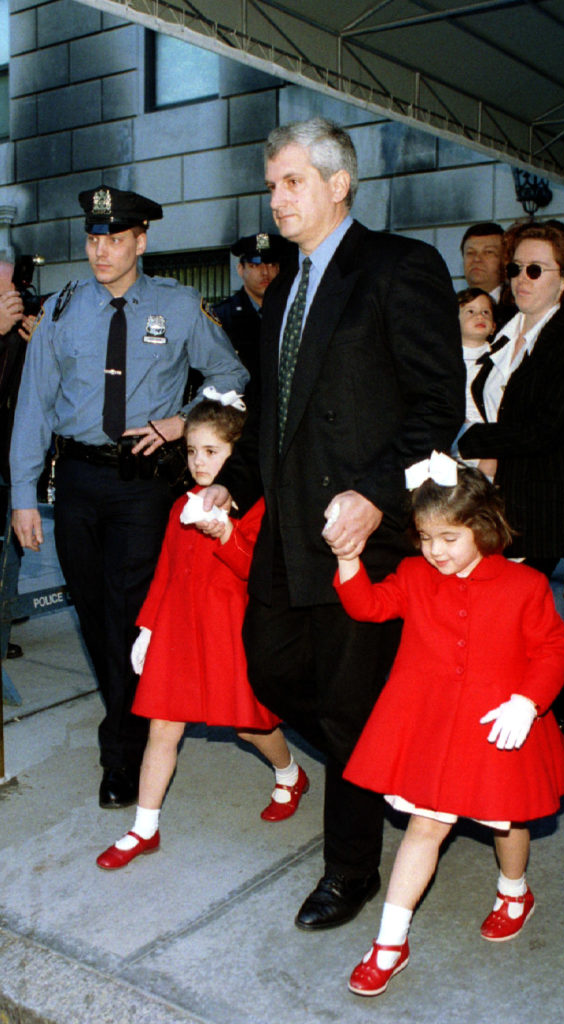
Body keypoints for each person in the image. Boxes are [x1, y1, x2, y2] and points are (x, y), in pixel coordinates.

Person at [201, 117, 465, 931]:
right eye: (271, 185)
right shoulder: (284, 285)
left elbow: (436, 406)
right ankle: (387, 757)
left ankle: (349, 870)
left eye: (292, 182)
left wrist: (375, 495)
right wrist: (231, 487)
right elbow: (273, 415)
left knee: (348, 707)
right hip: (288, 537)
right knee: (271, 674)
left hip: (360, 537)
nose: (276, 199)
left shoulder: (398, 266)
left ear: (337, 183)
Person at [9, 186, 248, 810]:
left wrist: (180, 423)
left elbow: (231, 376)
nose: (101, 251)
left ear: (141, 241)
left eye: (115, 239)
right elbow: (34, 404)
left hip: (143, 483)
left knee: (130, 615)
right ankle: (130, 723)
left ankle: (123, 752)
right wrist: (23, 495)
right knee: (95, 616)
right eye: (94, 239)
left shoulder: (179, 305)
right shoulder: (62, 309)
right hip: (78, 482)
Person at [331, 454, 564, 996]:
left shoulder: (524, 584)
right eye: (425, 538)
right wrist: (349, 561)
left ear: (483, 527)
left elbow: (553, 650)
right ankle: (389, 943)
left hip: (497, 721)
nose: (435, 551)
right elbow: (370, 607)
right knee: (425, 825)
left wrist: (528, 702)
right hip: (433, 723)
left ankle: (514, 891)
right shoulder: (414, 574)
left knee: (506, 819)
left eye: (449, 538)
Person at [96, 395, 307, 871]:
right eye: (192, 451)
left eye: (212, 452)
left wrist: (226, 532)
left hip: (228, 632)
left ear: (238, 454)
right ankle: (143, 828)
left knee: (250, 725)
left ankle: (289, 773)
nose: (199, 461)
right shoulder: (179, 507)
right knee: (162, 727)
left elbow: (255, 572)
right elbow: (165, 573)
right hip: (178, 631)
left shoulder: (255, 509)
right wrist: (148, 629)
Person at [458, 218, 564, 733]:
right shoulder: (504, 327)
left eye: (536, 270)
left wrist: (465, 440)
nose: (521, 279)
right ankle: (545, 693)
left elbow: (546, 427)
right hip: (488, 493)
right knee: (503, 617)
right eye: (516, 268)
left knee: (509, 615)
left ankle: (547, 704)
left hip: (535, 500)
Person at [0, 258, 38, 661]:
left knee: (9, 554)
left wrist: (41, 344)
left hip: (12, 462)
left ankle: (2, 623)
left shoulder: (21, 334)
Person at [213, 232, 296, 390]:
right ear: (240, 269)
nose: (265, 272)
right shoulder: (222, 316)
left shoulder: (294, 312)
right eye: (255, 265)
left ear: (279, 269)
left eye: (270, 264)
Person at [456, 286, 499, 480]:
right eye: (470, 311)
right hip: (451, 448)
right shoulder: (444, 362)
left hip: (486, 451)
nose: (480, 316)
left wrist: (491, 457)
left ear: (494, 326)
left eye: (486, 312)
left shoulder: (500, 360)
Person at [460, 222, 515, 325]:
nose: (476, 259)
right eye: (470, 253)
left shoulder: (518, 308)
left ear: (505, 260)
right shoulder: (450, 308)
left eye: (488, 252)